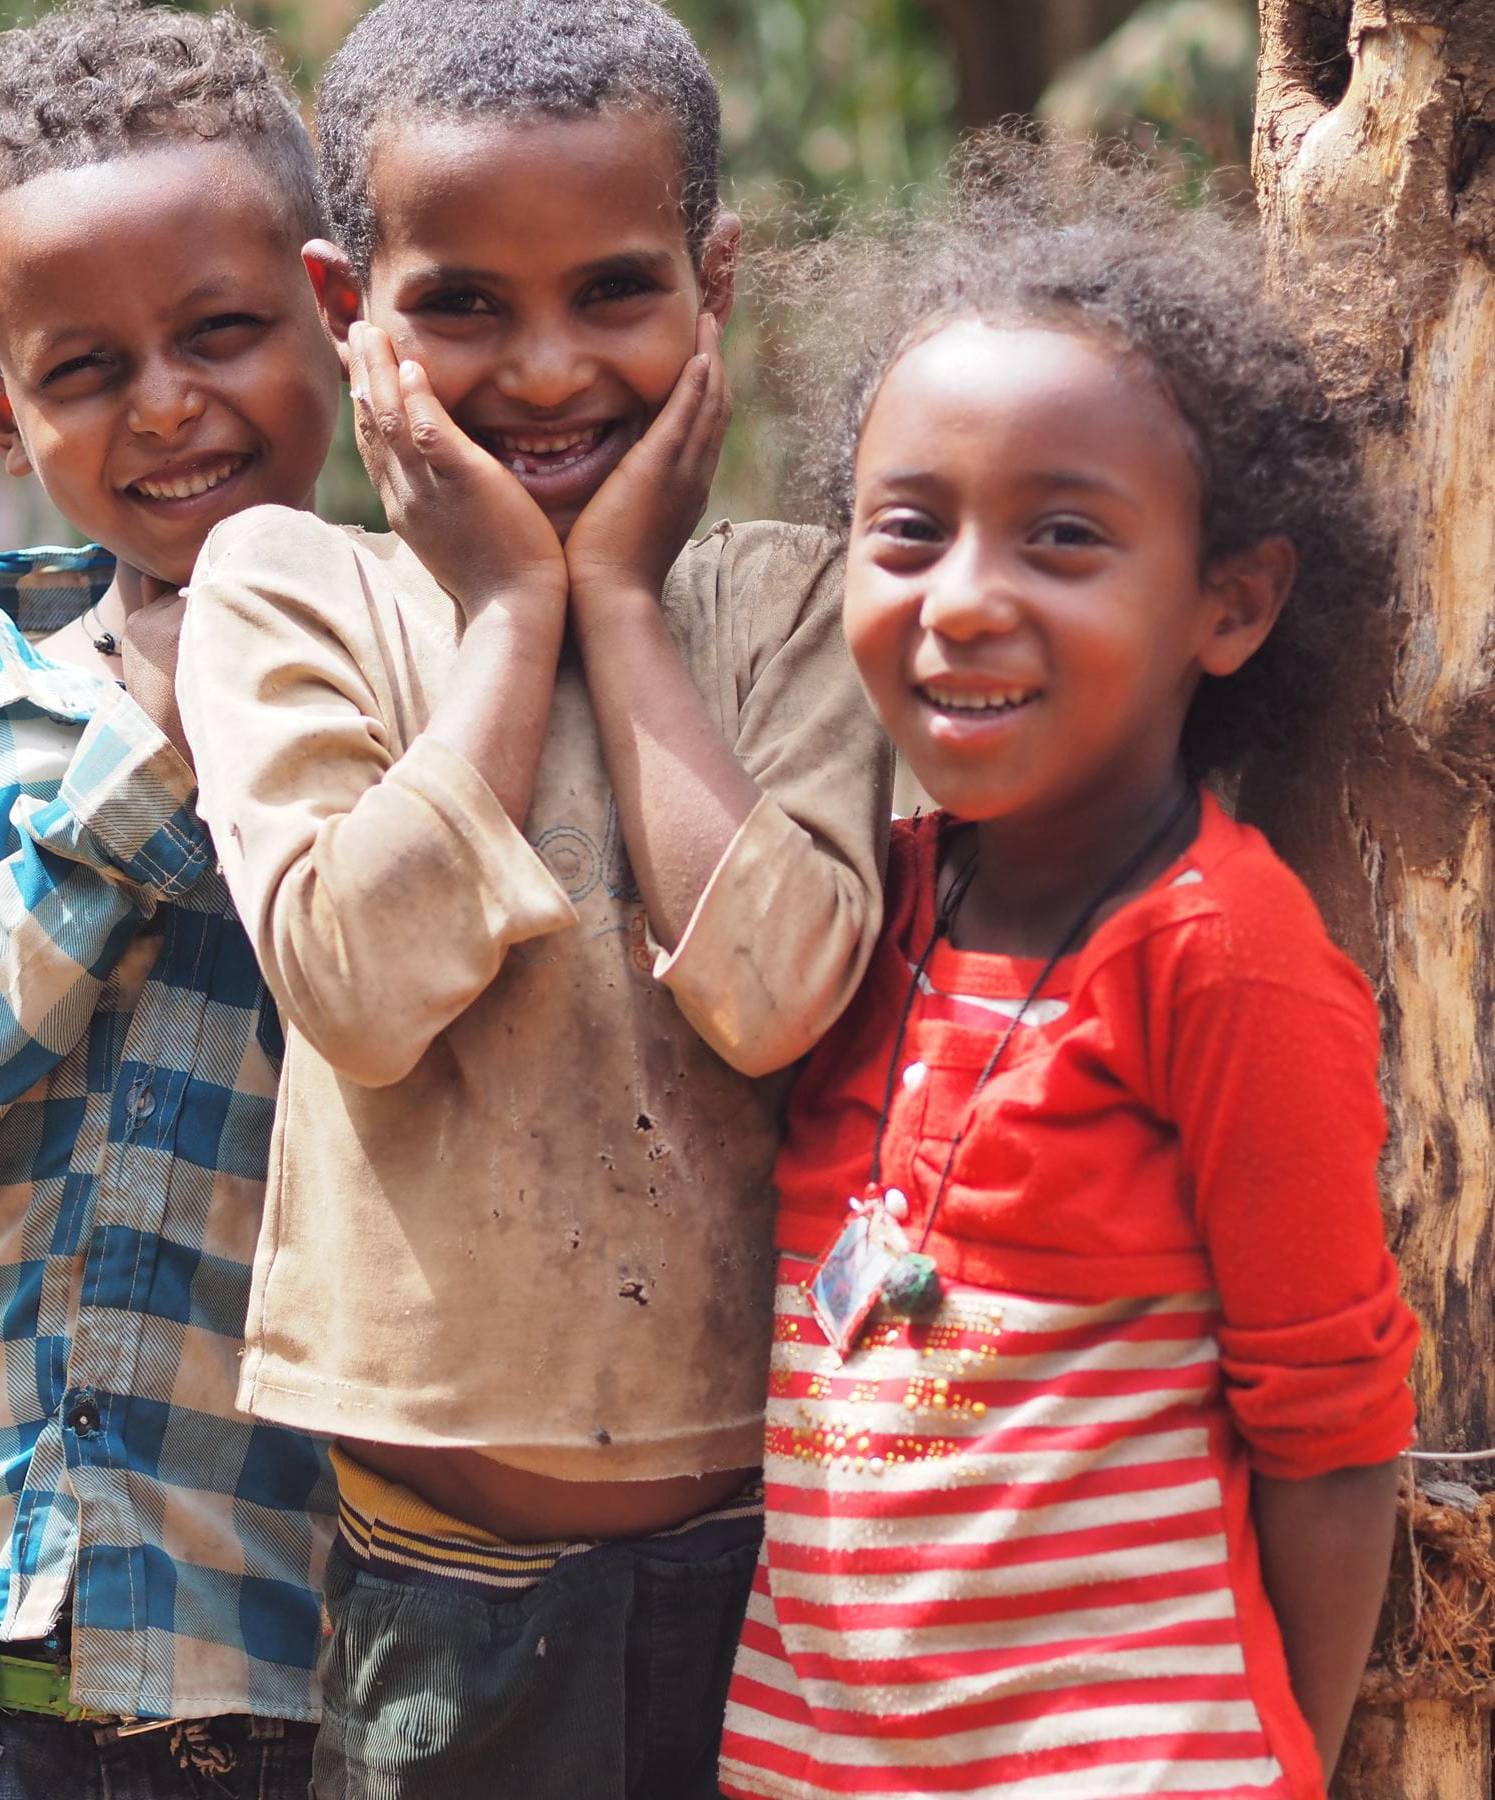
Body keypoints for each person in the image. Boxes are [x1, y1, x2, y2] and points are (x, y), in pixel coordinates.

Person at [176, 1, 893, 1791]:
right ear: (351, 312)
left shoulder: (791, 609)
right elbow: (354, 977)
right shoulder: (285, 591)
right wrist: (509, 615)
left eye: (617, 292)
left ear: (716, 281)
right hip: (444, 1590)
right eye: (465, 305)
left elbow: (782, 992)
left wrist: (627, 614)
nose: (552, 370)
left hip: (782, 1565)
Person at [715, 144, 1420, 1800]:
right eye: (910, 533)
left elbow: (1330, 1431)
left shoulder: (1222, 961)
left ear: (1229, 606)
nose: (964, 602)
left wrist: (1281, 1766)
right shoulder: (850, 914)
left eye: (1061, 539)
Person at [0, 5, 342, 1793]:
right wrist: (141, 763)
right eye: (89, 367)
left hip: (259, 1702)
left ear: (336, 319)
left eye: (223, 333)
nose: (172, 404)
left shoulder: (425, 686)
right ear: (2, 412)